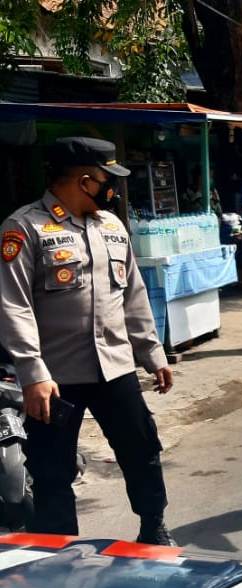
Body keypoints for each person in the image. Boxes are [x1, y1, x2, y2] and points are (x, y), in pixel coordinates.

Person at [0, 137, 174, 544]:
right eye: (106, 179)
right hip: (55, 376)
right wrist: (31, 372)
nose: (112, 188)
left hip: (114, 366)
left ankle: (154, 525)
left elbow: (133, 294)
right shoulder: (24, 228)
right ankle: (59, 550)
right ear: (84, 181)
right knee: (51, 469)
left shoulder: (112, 227)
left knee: (142, 449)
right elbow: (13, 305)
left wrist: (152, 352)